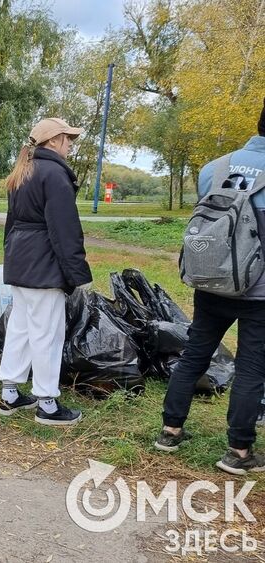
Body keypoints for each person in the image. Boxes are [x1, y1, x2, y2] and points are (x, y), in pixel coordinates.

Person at [156, 98, 265, 475]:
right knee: (252, 368)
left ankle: (170, 431)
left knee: (194, 355)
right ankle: (238, 452)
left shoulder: (213, 168)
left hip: (211, 282)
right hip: (260, 292)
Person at [0, 117, 92, 426]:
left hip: (21, 262)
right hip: (44, 265)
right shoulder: (54, 174)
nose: (70, 145)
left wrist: (11, 259)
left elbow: (12, 225)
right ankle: (47, 404)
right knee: (47, 333)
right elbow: (65, 230)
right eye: (68, 139)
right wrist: (78, 274)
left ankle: (10, 394)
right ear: (53, 141)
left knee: (21, 328)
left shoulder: (23, 170)